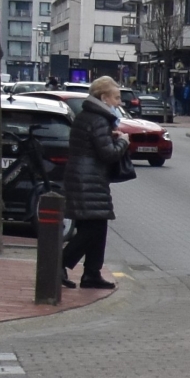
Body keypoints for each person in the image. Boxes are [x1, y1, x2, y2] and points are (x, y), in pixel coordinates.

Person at [61, 75, 130, 290]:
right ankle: (59, 263)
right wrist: (122, 142)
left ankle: (92, 273)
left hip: (83, 178)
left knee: (94, 226)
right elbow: (107, 154)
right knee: (93, 228)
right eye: (116, 98)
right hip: (89, 181)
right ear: (104, 97)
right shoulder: (99, 119)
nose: (119, 103)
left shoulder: (86, 116)